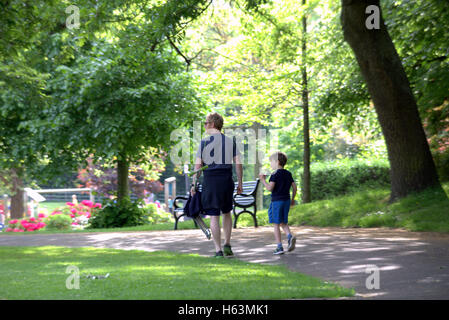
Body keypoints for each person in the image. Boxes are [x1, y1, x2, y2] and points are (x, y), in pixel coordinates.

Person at [191, 112, 243, 258]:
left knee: (214, 215)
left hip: (211, 181)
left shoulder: (204, 143)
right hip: (226, 180)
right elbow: (238, 164)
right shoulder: (230, 141)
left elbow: (197, 166)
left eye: (206, 123)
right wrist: (240, 183)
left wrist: (194, 184)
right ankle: (227, 244)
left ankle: (218, 250)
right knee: (227, 212)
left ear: (213, 124)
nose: (205, 126)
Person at [259, 151, 298, 255]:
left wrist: (263, 180)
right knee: (283, 222)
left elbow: (269, 188)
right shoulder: (288, 173)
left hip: (277, 202)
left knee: (276, 224)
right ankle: (289, 236)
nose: (271, 164)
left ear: (277, 162)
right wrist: (293, 199)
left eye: (271, 162)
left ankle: (279, 247)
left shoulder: (274, 174)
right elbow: (294, 187)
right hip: (286, 200)